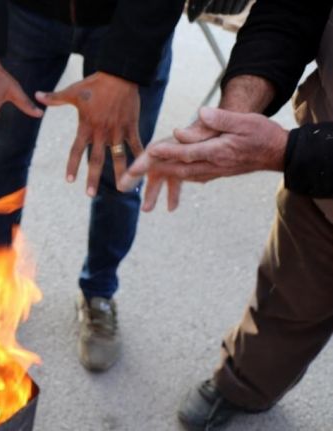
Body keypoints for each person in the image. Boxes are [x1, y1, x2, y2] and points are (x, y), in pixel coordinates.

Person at [0, 0, 183, 371]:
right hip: (23, 13)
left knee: (120, 169)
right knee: (2, 153)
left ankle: (99, 293)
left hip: (130, 19)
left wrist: (127, 69)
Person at [118, 0, 333, 429]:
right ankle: (243, 385)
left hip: (313, 156)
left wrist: (285, 151)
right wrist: (232, 117)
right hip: (321, 184)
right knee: (290, 293)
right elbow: (292, 11)